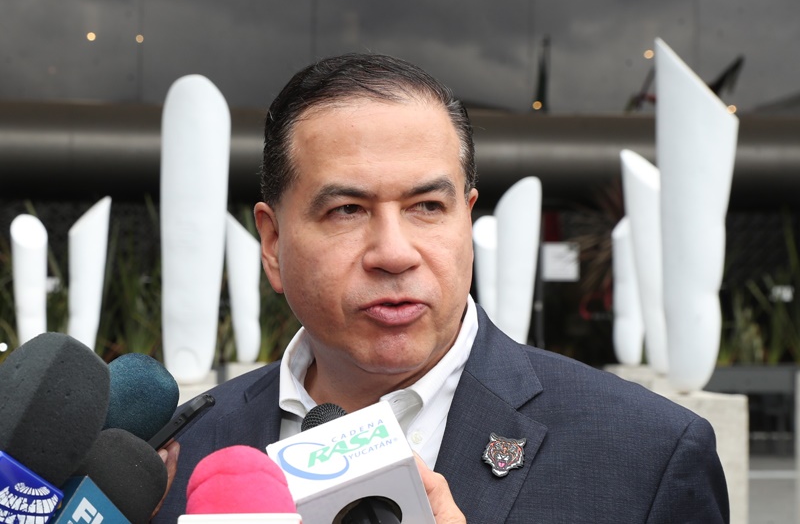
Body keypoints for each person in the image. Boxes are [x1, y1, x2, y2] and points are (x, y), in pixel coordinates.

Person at [153, 53, 729, 523]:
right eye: (348, 209)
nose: (394, 253)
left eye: (427, 206)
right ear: (273, 242)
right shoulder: (177, 455)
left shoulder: (646, 455)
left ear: (467, 220)